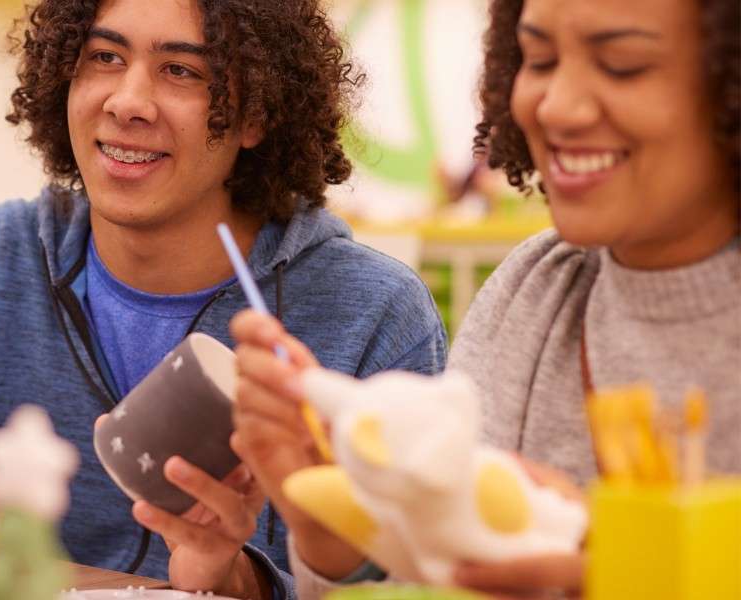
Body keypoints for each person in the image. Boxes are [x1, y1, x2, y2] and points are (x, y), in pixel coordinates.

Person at [0, 0, 446, 598]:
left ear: (255, 115)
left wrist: (241, 582)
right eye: (103, 57)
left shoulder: (372, 311)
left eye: (181, 70)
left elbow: (425, 579)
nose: (127, 101)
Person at [229, 0, 740, 597]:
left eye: (622, 64)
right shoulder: (531, 289)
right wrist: (341, 538)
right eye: (540, 59)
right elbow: (442, 573)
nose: (555, 105)